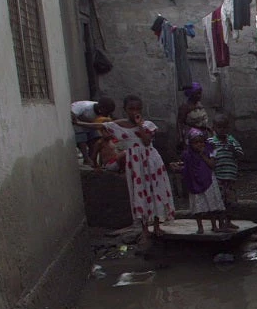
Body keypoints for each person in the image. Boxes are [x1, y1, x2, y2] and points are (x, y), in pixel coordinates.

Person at [97, 95, 176, 238]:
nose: (134, 111)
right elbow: (100, 126)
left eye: (137, 108)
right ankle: (145, 229)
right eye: (131, 109)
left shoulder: (148, 125)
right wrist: (77, 122)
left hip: (152, 162)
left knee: (156, 191)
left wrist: (139, 125)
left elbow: (146, 142)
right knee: (140, 192)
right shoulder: (119, 125)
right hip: (136, 164)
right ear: (125, 110)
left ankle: (157, 225)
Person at [176, 127, 226, 234]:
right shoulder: (188, 155)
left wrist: (203, 155)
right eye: (195, 142)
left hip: (208, 180)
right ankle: (200, 227)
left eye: (201, 142)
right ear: (191, 144)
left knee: (212, 204)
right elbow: (185, 167)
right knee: (197, 206)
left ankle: (214, 225)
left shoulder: (210, 150)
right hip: (194, 181)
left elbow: (212, 165)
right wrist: (178, 168)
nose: (199, 144)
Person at [210, 114, 243, 231]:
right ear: (214, 128)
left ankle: (228, 222)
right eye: (219, 127)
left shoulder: (232, 141)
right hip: (218, 177)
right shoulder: (211, 142)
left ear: (227, 128)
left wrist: (233, 150)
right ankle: (221, 223)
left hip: (230, 176)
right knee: (219, 202)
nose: (222, 130)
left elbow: (240, 154)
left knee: (231, 202)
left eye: (224, 128)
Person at [71, 97, 115, 164]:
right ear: (101, 108)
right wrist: (84, 122)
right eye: (106, 112)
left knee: (95, 138)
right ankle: (86, 157)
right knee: (82, 137)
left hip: (89, 125)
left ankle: (91, 159)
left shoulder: (103, 113)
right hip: (78, 125)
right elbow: (72, 114)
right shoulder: (85, 107)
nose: (106, 115)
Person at [177, 82, 210, 149]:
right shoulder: (185, 107)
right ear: (191, 94)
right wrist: (180, 138)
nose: (200, 95)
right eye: (197, 94)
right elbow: (179, 123)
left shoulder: (199, 104)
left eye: (200, 93)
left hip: (203, 135)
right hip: (192, 136)